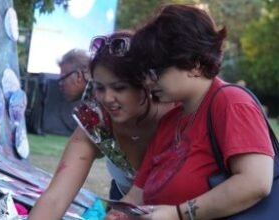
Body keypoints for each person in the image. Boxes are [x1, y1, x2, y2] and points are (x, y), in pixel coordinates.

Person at [106, 4, 274, 220]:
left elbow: (256, 182)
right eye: (144, 72)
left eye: (154, 71)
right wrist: (121, 213)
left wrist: (178, 214)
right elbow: (139, 192)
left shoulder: (231, 102)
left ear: (194, 63)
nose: (147, 81)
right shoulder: (170, 121)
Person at [28, 31, 176, 220]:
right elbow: (55, 199)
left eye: (119, 88)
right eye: (99, 87)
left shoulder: (177, 116)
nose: (107, 98)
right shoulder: (96, 120)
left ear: (144, 84)